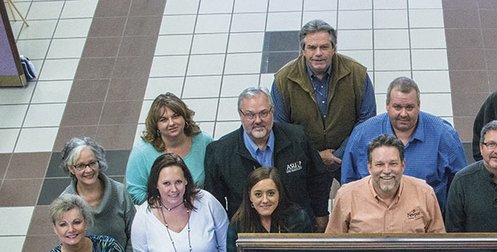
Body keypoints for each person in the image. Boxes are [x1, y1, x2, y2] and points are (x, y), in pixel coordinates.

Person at [204, 86, 330, 228]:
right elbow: (214, 202)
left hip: (297, 227)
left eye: (264, 113)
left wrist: (321, 215)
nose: (258, 120)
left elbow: (318, 178)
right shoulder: (219, 152)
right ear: (241, 115)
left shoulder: (298, 138)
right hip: (247, 232)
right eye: (250, 115)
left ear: (273, 112)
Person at [271, 19, 377, 180]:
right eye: (312, 47)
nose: (318, 53)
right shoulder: (283, 80)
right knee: (306, 203)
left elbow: (367, 120)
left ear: (334, 48)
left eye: (324, 47)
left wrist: (341, 153)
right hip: (304, 159)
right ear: (303, 50)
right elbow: (281, 128)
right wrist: (317, 156)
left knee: (358, 199)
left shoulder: (357, 73)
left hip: (350, 154)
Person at [341, 76, 466, 209]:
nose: (403, 114)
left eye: (409, 107)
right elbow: (348, 183)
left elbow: (461, 185)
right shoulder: (362, 135)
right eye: (397, 107)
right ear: (387, 105)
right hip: (373, 220)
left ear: (419, 105)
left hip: (427, 221)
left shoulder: (444, 135)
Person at [326, 134, 445, 234]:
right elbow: (332, 247)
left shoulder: (425, 193)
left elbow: (440, 246)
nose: (387, 171)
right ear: (369, 167)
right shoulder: (346, 195)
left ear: (403, 165)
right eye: (380, 164)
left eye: (393, 164)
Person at [61, 136, 137, 252]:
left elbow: (135, 235)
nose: (88, 170)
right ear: (71, 168)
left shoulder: (120, 192)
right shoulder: (66, 203)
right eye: (81, 166)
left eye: (92, 163)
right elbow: (69, 246)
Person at [125, 93, 213, 204]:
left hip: (200, 207)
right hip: (162, 213)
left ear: (185, 118)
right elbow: (134, 192)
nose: (171, 123)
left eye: (175, 116)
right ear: (156, 125)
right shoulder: (141, 152)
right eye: (163, 119)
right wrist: (164, 207)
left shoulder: (204, 142)